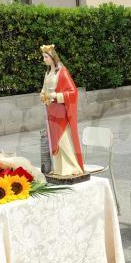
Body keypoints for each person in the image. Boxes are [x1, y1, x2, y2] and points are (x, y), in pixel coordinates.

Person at [40, 44, 84, 177]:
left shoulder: (62, 72)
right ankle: (59, 168)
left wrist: (56, 96)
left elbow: (73, 92)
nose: (44, 60)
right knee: (54, 139)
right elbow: (44, 89)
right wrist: (43, 94)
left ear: (53, 57)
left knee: (63, 139)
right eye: (43, 57)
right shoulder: (48, 73)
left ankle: (71, 167)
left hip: (60, 109)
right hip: (51, 110)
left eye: (46, 57)